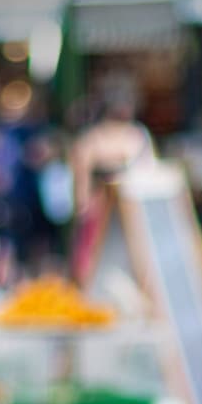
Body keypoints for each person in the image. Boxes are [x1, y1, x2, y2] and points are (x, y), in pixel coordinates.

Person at [69, 84, 153, 287]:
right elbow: (81, 180)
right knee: (92, 263)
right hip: (104, 211)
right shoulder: (96, 138)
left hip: (128, 211)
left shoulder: (134, 135)